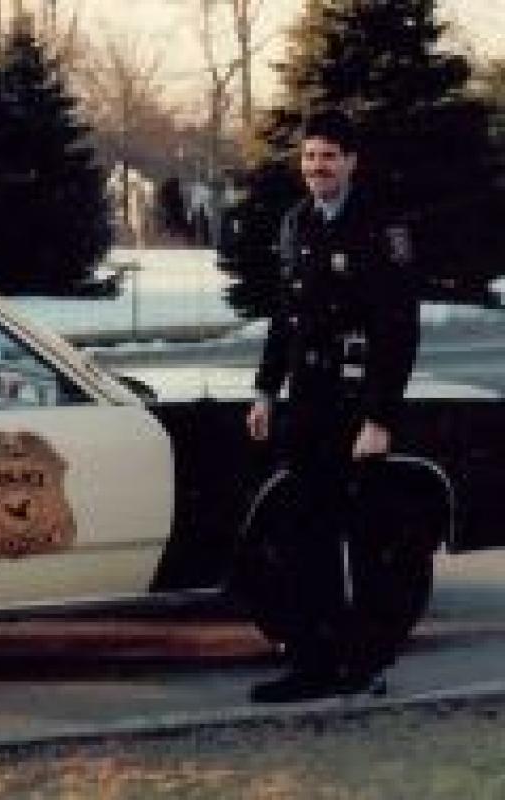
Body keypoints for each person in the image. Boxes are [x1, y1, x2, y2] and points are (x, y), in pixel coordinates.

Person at [245, 109, 420, 703]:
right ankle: (314, 663)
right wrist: (266, 390)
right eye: (309, 157)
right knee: (305, 536)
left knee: (366, 541)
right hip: (309, 404)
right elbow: (284, 319)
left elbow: (398, 330)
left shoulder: (380, 227)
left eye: (328, 156)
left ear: (350, 161)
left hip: (356, 406)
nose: (317, 167)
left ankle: (366, 664)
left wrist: (380, 418)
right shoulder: (297, 223)